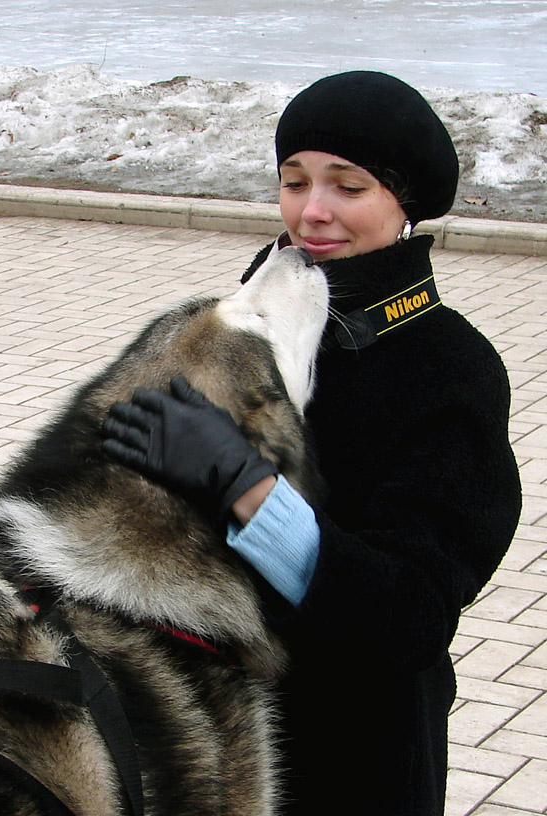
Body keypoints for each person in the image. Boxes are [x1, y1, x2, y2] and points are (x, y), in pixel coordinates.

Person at [102, 71, 522, 815]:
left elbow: (410, 617)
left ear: (405, 203)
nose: (313, 212)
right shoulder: (237, 326)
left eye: (348, 187)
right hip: (200, 739)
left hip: (347, 754)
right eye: (294, 182)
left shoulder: (450, 368)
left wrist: (246, 488)